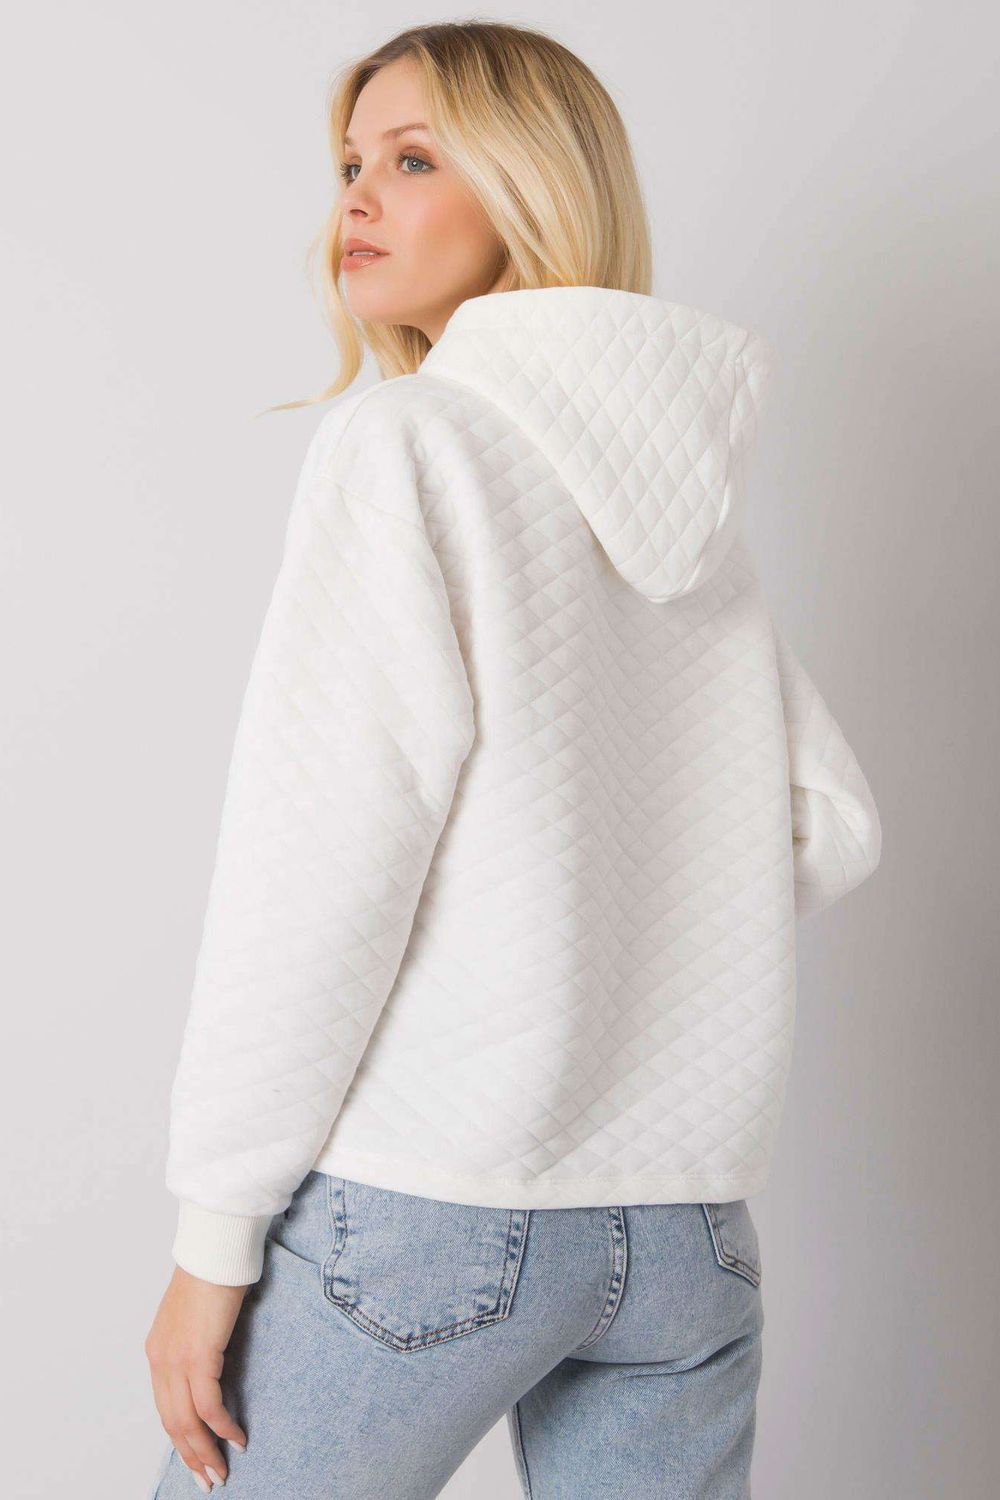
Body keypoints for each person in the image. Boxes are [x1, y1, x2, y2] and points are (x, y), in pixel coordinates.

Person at [144, 20, 882, 1499]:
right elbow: (824, 822)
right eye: (350, 163)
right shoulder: (687, 508)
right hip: (688, 1233)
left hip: (438, 1209)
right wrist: (608, 942)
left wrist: (212, 1242)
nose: (357, 199)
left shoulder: (409, 446)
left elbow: (317, 874)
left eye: (415, 160)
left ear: (533, 191)